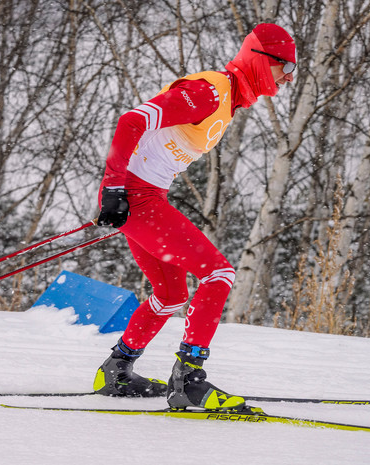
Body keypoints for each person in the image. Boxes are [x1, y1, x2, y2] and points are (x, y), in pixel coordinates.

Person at [93, 23, 296, 411]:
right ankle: (188, 380)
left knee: (171, 296)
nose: (288, 77)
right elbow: (131, 121)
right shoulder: (209, 91)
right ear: (260, 60)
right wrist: (113, 189)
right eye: (285, 66)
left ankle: (116, 370)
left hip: (143, 196)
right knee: (219, 275)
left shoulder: (227, 99)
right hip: (138, 197)